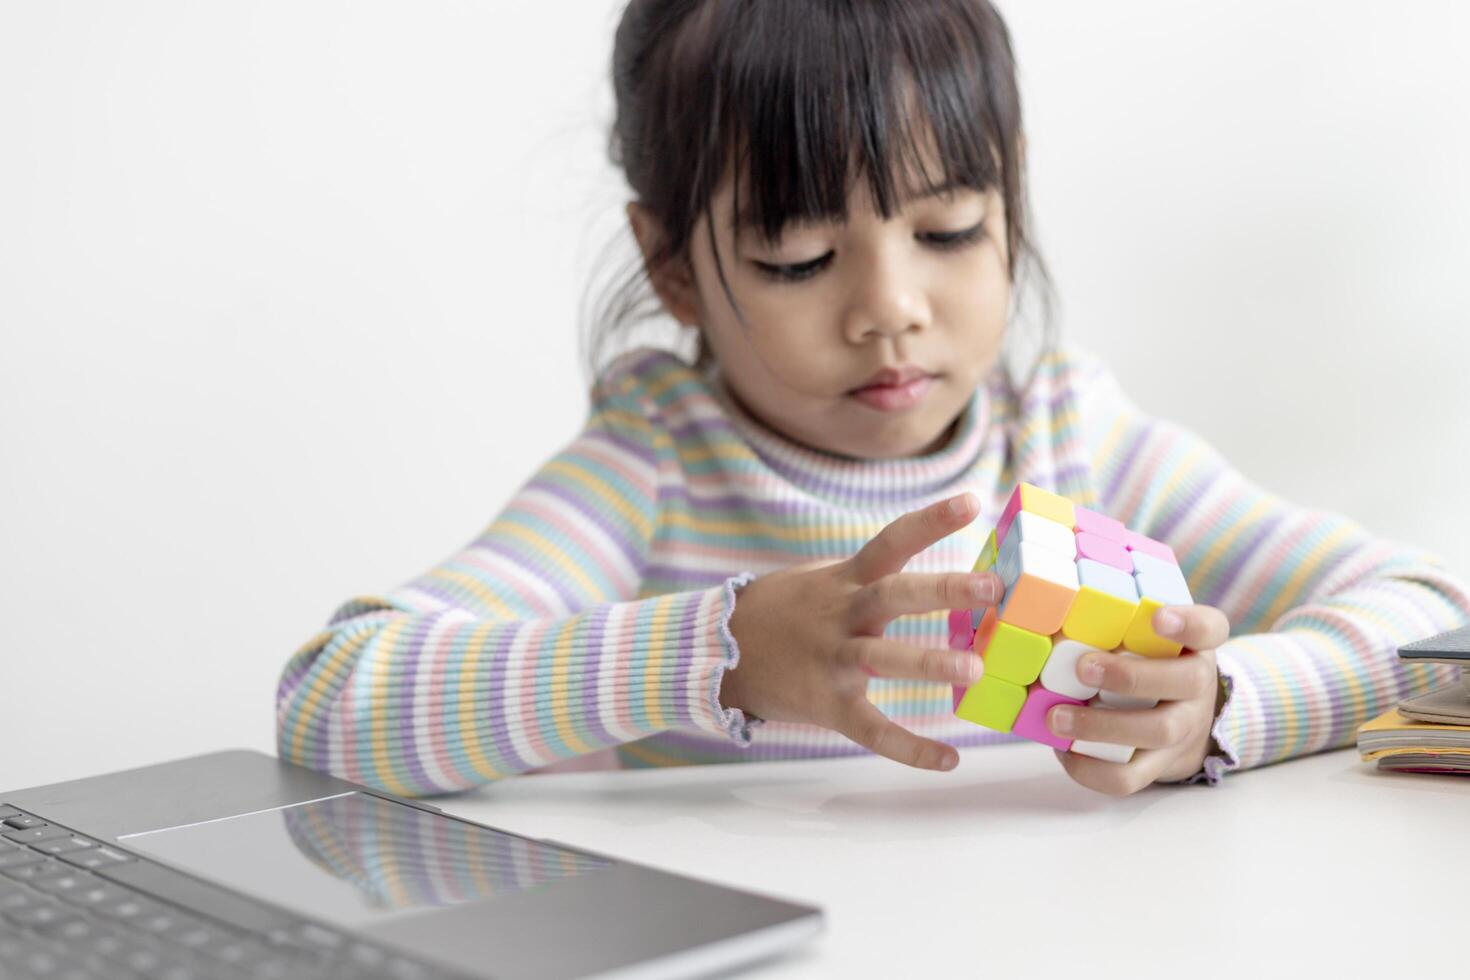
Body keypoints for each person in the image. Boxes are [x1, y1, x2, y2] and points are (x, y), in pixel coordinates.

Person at [275, 0, 1469, 797]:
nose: (889, 305)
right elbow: (338, 691)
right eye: (798, 256)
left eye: (949, 229)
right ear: (672, 265)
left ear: (1012, 204)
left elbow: (1431, 614)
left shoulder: (1065, 437)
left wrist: (1221, 704)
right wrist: (722, 652)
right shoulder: (657, 466)